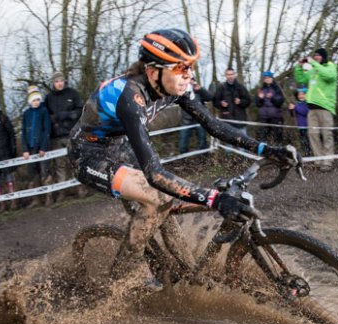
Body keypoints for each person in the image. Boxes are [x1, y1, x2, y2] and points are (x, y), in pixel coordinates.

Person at [67, 28, 300, 282]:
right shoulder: (129, 97)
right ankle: (117, 281)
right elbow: (154, 173)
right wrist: (216, 200)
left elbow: (214, 125)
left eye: (190, 67)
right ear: (153, 71)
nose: (188, 75)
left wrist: (266, 149)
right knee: (155, 195)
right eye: (180, 68)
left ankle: (190, 273)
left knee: (166, 200)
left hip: (120, 145)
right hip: (89, 155)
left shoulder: (174, 87)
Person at [294, 48, 338, 171]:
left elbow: (329, 76)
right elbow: (301, 79)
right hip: (311, 108)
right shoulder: (313, 70)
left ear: (323, 57)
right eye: (314, 56)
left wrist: (313, 63)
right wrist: (299, 66)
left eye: (318, 56)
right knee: (313, 134)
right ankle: (318, 160)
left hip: (325, 107)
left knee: (327, 135)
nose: (315, 58)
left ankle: (327, 161)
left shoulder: (330, 67)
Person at [45, 72, 84, 193]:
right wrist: (54, 119)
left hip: (72, 133)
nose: (59, 83)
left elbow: (80, 110)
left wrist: (67, 115)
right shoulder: (49, 98)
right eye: (56, 81)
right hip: (56, 136)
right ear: (53, 83)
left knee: (76, 160)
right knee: (59, 165)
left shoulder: (73, 93)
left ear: (64, 81)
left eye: (61, 81)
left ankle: (81, 188)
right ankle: (62, 191)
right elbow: (46, 116)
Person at [20, 86, 53, 205]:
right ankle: (36, 199)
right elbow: (23, 132)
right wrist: (24, 149)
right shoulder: (26, 114)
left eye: (37, 100)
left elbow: (46, 129)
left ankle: (49, 196)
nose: (36, 102)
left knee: (45, 172)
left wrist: (43, 147)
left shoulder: (43, 111)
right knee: (33, 174)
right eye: (33, 100)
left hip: (41, 147)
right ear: (30, 101)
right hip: (30, 147)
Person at [212, 68, 251, 136]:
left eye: (232, 74)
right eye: (228, 74)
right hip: (227, 121)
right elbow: (215, 101)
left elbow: (248, 101)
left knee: (244, 143)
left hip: (240, 120)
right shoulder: (221, 87)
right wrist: (221, 103)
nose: (230, 76)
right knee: (229, 144)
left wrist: (240, 102)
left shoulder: (241, 87)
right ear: (226, 76)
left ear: (234, 75)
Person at [178, 78, 213, 153]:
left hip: (199, 120)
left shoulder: (198, 90)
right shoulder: (181, 90)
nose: (190, 82)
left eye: (191, 80)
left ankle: (204, 158)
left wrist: (201, 89)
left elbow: (209, 97)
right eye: (187, 80)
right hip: (186, 120)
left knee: (202, 142)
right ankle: (184, 158)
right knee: (182, 144)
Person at [255, 71, 286, 145]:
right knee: (263, 137)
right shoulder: (261, 89)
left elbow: (280, 102)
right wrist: (260, 98)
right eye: (265, 78)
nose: (267, 79)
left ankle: (279, 151)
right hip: (264, 118)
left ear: (272, 78)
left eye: (268, 78)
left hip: (276, 117)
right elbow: (257, 104)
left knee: (277, 137)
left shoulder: (277, 88)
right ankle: (264, 153)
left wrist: (272, 98)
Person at [288, 88, 310, 153]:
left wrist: (295, 107)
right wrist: (290, 109)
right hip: (300, 127)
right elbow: (292, 115)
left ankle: (309, 154)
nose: (301, 96)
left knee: (308, 142)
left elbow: (305, 112)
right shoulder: (297, 104)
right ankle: (306, 154)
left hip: (307, 126)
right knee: (303, 142)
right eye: (299, 94)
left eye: (303, 94)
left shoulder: (308, 103)